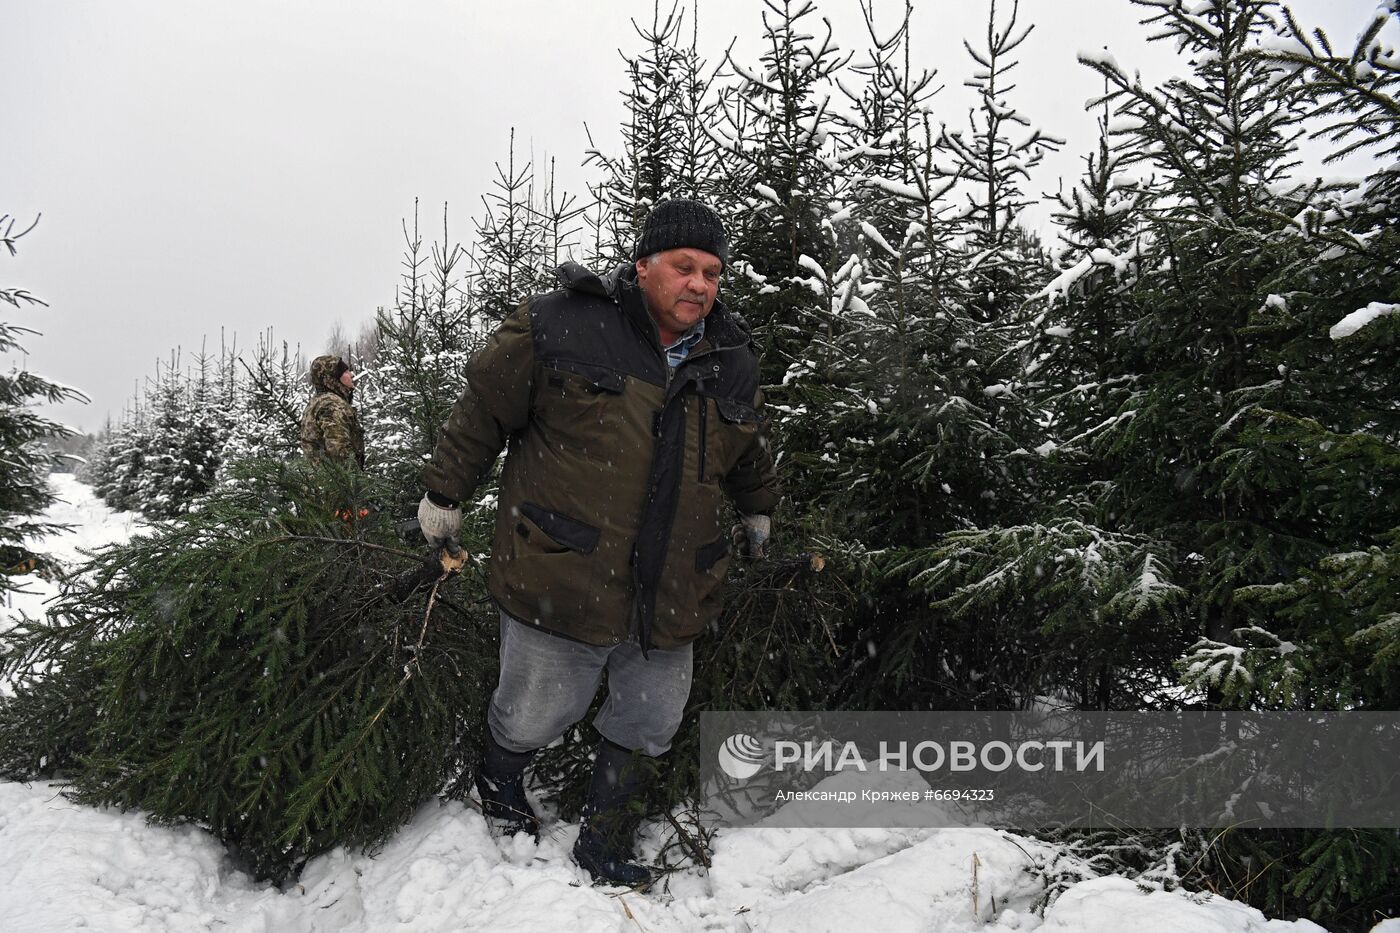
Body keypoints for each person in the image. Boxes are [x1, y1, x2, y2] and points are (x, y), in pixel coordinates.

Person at [417, 199, 780, 886]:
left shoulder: (731, 356)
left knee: (650, 717)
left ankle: (604, 838)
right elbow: (485, 409)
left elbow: (746, 448)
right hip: (563, 573)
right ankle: (497, 784)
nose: (699, 284)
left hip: (673, 586)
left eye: (712, 271)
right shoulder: (562, 322)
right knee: (533, 710)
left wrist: (759, 510)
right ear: (644, 265)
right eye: (683, 267)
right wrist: (444, 494)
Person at [300, 354, 365, 469]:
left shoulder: (317, 402)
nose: (351, 374)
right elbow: (339, 452)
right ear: (331, 378)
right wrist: (356, 482)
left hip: (319, 482)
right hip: (335, 484)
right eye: (345, 372)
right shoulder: (333, 406)